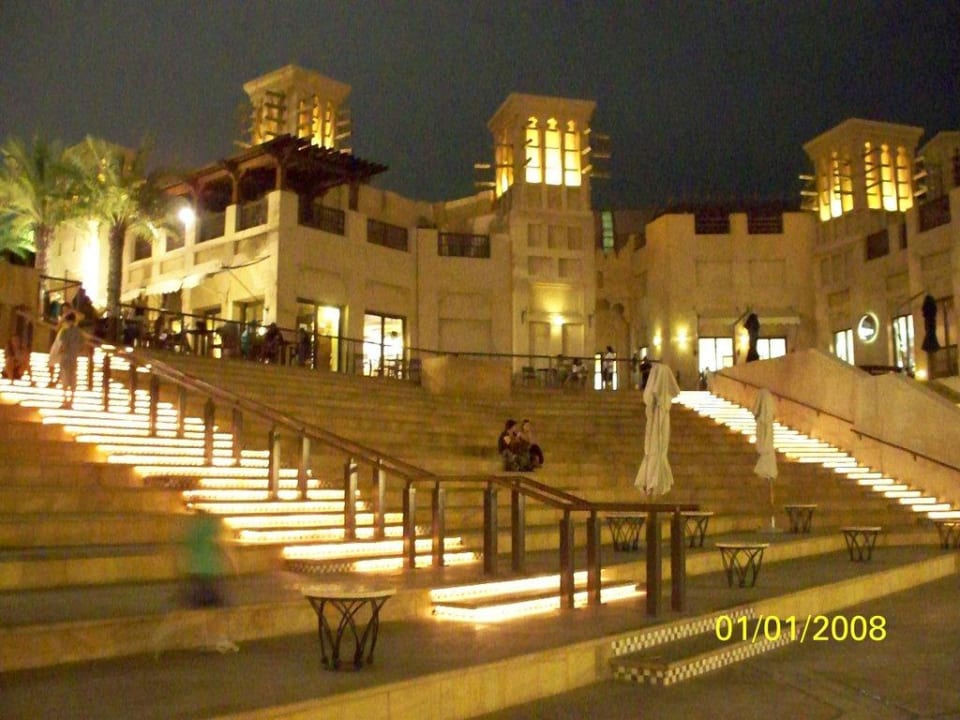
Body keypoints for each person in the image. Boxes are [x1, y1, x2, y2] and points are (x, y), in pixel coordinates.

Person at [51, 312, 85, 408]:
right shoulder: (79, 333)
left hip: (66, 358)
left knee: (65, 380)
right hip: (74, 358)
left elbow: (63, 346)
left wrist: (59, 352)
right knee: (72, 379)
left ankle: (65, 400)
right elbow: (82, 346)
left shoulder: (65, 332)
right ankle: (71, 400)